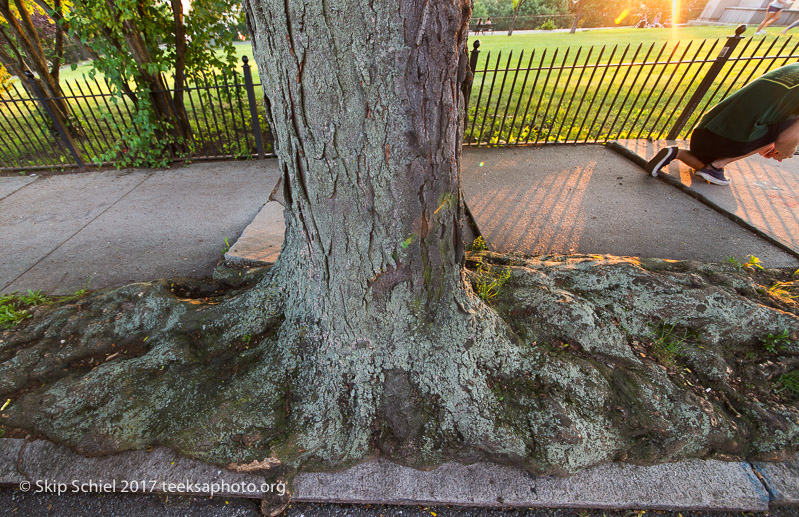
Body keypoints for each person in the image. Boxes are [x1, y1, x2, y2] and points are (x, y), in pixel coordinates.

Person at [645, 63, 799, 185]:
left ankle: (678, 154)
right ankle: (716, 166)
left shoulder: (792, 67)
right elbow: (785, 140)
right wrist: (787, 150)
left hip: (701, 135)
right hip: (729, 142)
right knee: (790, 125)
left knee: (705, 162)